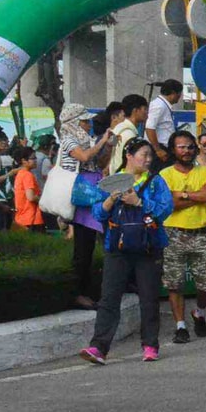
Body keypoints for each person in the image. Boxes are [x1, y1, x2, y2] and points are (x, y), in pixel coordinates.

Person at [79, 140, 175, 364]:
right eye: (144, 154)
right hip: (117, 247)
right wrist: (110, 200)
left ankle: (150, 345)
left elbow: (166, 208)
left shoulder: (155, 182)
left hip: (148, 247)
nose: (148, 159)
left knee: (149, 298)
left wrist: (139, 201)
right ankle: (99, 347)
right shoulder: (111, 181)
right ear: (129, 156)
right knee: (109, 298)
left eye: (150, 155)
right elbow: (98, 213)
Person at [158, 129, 206, 344]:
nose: (186, 151)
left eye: (190, 147)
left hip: (200, 233)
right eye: (181, 147)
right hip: (172, 233)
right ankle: (180, 326)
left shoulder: (205, 171)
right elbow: (168, 203)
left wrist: (182, 194)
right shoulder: (165, 175)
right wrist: (196, 196)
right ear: (173, 150)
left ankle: (199, 312)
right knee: (175, 284)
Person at [60, 102, 113, 307]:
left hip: (93, 194)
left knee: (89, 246)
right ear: (73, 122)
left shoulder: (87, 140)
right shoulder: (68, 140)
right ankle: (78, 293)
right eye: (84, 120)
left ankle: (89, 290)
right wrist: (101, 142)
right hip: (81, 197)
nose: (87, 124)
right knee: (82, 248)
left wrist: (107, 145)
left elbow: (99, 163)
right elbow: (84, 157)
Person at [10, 144, 44, 231]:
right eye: (33, 158)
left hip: (22, 218)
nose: (36, 160)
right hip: (31, 218)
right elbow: (31, 197)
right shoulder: (27, 175)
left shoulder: (20, 174)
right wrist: (43, 199)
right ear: (24, 161)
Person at [144, 78, 183, 151]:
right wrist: (158, 150)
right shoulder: (159, 105)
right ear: (173, 93)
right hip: (160, 147)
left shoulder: (163, 105)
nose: (180, 96)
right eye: (179, 93)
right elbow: (149, 127)